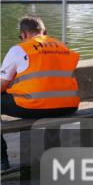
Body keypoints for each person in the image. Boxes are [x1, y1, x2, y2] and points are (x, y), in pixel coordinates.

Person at [1, 15, 80, 171]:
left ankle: (1, 159)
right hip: (69, 105)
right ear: (44, 31)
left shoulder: (20, 49)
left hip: (36, 106)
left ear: (24, 34)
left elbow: (1, 85)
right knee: (50, 102)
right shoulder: (63, 47)